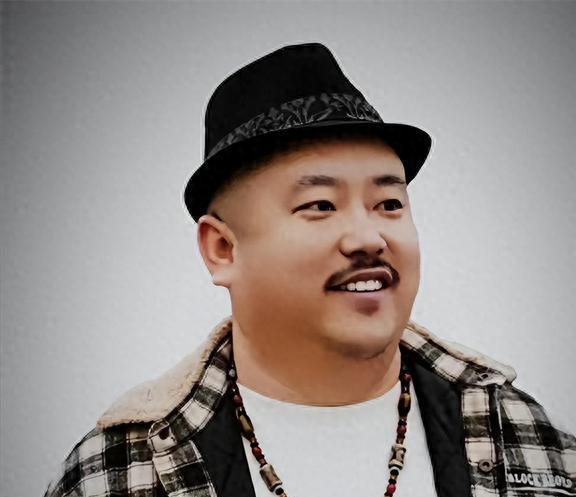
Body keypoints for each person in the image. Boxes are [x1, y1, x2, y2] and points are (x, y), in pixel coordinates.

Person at [43, 42, 575, 497]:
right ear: (222, 249)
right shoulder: (122, 470)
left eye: (389, 204)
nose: (368, 237)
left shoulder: (522, 434)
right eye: (320, 205)